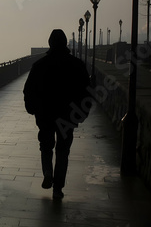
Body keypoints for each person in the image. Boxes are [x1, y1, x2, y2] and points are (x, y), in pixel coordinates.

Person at [23, 29, 91, 199]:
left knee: (46, 146)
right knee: (62, 151)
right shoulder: (77, 65)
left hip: (45, 115)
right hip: (68, 116)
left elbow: (28, 90)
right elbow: (87, 92)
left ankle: (47, 172)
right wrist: (82, 113)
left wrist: (33, 109)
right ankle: (58, 188)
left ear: (50, 43)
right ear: (65, 43)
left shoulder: (39, 65)